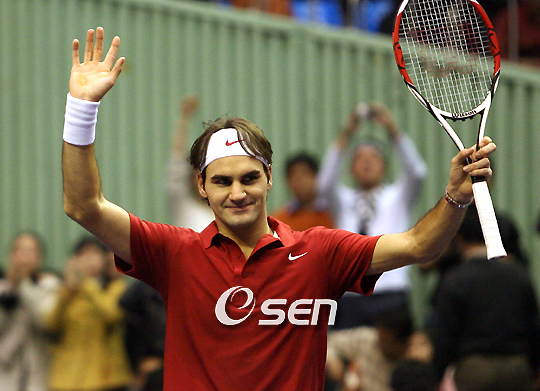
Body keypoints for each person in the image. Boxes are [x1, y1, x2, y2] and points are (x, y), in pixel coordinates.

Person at [61, 27, 496, 391]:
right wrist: (81, 109)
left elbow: (420, 245)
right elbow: (84, 206)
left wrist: (456, 195)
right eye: (222, 181)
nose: (237, 193)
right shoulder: (174, 252)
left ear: (269, 178)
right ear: (202, 186)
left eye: (249, 178)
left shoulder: (320, 252)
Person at [318, 102, 427, 328]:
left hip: (390, 290)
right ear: (351, 168)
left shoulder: (397, 197)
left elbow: (417, 172)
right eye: (360, 158)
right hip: (349, 294)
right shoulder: (343, 200)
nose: (367, 162)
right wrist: (346, 134)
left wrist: (392, 130)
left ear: (384, 166)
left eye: (374, 157)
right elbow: (324, 183)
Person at [429, 206, 540, 391]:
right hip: (516, 366)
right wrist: (535, 367)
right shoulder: (518, 275)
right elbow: (534, 325)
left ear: (460, 239)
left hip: (473, 368)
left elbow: (445, 334)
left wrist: (437, 374)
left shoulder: (455, 279)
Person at [44, 236, 133, 391]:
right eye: (83, 254)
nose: (89, 259)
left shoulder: (115, 287)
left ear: (105, 259)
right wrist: (67, 291)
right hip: (67, 377)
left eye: (94, 253)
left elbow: (112, 315)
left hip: (105, 377)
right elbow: (51, 324)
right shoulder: (67, 291)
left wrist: (86, 283)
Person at [0, 232, 61, 391]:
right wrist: (11, 291)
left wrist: (23, 285)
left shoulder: (50, 285)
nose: (25, 257)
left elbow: (45, 321)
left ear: (39, 257)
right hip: (5, 372)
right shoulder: (3, 288)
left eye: (30, 251)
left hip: (40, 371)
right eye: (20, 250)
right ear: (11, 255)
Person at [326, 305, 414, 391]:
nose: (379, 343)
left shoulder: (411, 365)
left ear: (404, 343)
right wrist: (332, 360)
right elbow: (326, 342)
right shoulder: (368, 339)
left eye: (385, 341)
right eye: (380, 336)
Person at [167, 94, 214, 232]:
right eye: (198, 174)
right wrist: (184, 119)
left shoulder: (223, 211)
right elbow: (176, 160)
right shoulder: (182, 202)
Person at [271, 152, 335, 231]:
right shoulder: (279, 221)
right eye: (294, 175)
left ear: (316, 177)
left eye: (305, 174)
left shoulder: (332, 213)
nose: (299, 180)